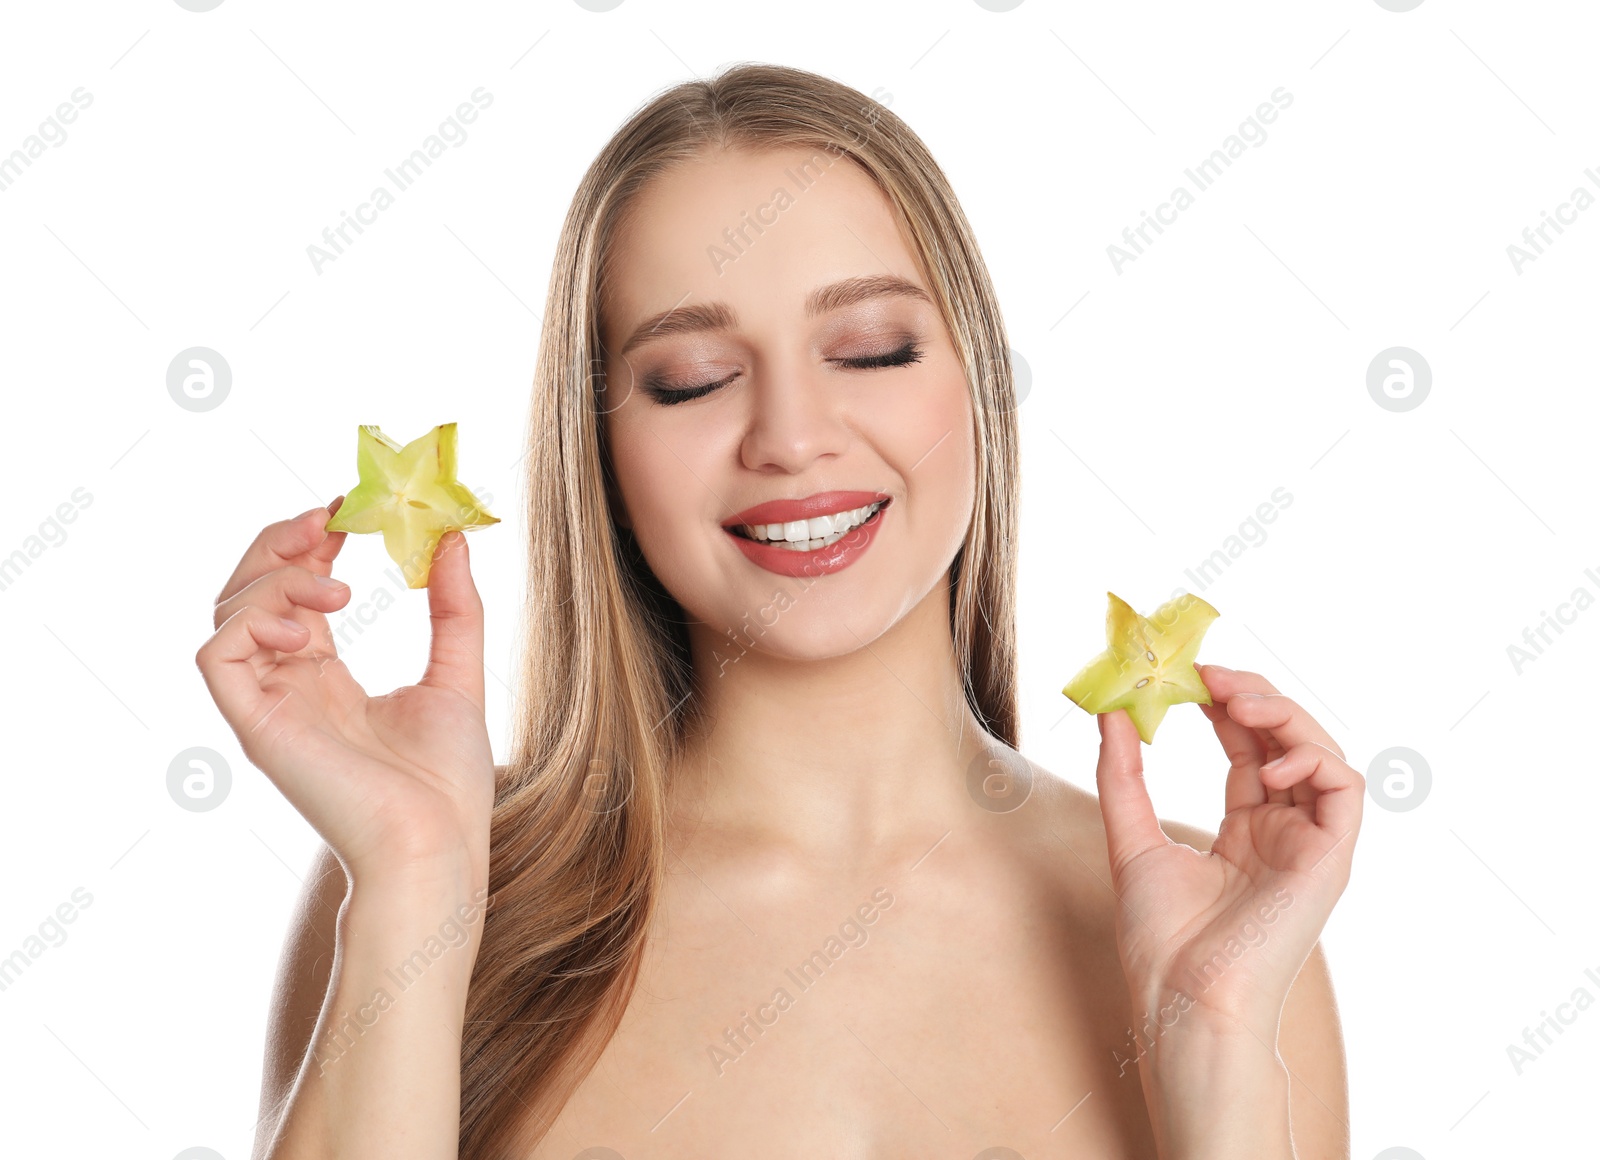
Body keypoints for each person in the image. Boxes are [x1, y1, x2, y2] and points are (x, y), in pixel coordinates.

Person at [197, 62, 1363, 1159]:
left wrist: (1212, 1036)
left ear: (977, 387)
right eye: (693, 378)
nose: (792, 435)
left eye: (870, 349)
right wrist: (409, 876)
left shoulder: (1216, 931)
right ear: (600, 450)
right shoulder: (441, 883)